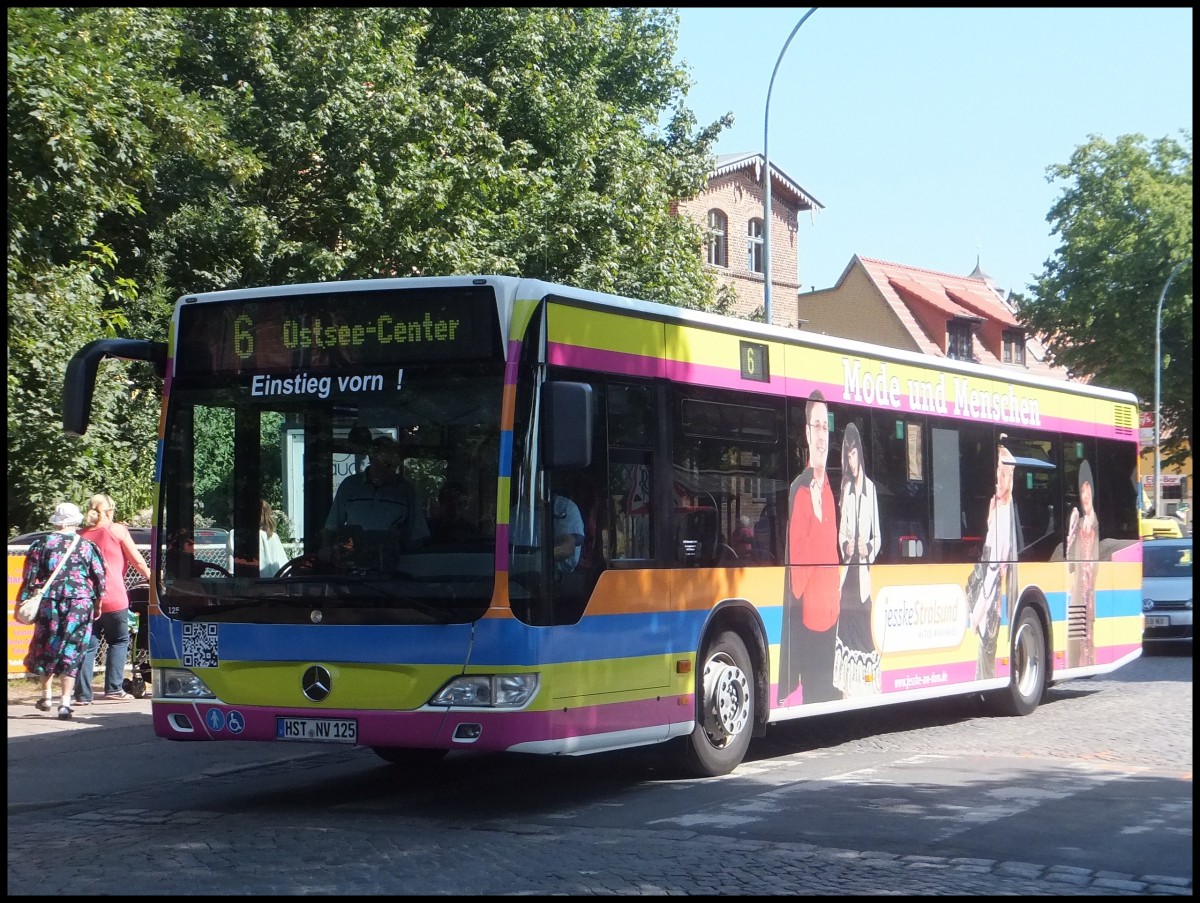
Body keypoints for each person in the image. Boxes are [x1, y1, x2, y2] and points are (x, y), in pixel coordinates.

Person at [778, 390, 841, 706]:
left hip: (834, 620)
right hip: (812, 626)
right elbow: (796, 581)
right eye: (815, 426)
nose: (821, 436)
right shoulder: (800, 492)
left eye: (825, 427)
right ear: (806, 432)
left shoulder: (830, 488)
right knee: (815, 699)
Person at [17, 502, 106, 719]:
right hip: (80, 602)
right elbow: (100, 577)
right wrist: (97, 603)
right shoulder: (87, 546)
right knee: (72, 648)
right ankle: (65, 703)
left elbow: (29, 577)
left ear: (56, 521)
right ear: (76, 521)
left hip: (50, 601)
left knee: (47, 643)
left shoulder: (41, 544)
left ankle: (46, 696)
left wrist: (23, 602)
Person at [77, 493, 152, 704]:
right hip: (114, 596)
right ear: (109, 511)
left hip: (86, 598)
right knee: (119, 641)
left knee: (88, 645)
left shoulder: (80, 535)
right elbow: (138, 561)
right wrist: (153, 580)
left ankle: (82, 694)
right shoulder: (117, 530)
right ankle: (113, 688)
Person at [322, 434, 429, 564]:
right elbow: (331, 527)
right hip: (354, 563)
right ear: (372, 458)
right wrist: (326, 550)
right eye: (387, 464)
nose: (391, 470)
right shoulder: (350, 486)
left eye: (394, 465)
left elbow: (417, 535)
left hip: (394, 565)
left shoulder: (405, 491)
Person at [833, 422, 882, 698]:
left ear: (860, 454)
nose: (851, 461)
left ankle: (866, 687)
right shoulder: (847, 491)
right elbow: (841, 533)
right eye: (847, 456)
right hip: (848, 575)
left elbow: (879, 538)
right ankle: (849, 691)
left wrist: (868, 548)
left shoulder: (871, 490)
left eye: (853, 454)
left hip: (862, 576)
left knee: (863, 634)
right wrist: (846, 545)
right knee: (847, 633)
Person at [967, 438, 1020, 680]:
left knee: (984, 664)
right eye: (996, 472)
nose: (999, 479)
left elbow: (991, 575)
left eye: (1004, 474)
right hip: (987, 604)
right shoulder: (996, 511)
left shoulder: (1004, 517)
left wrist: (976, 615)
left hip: (989, 607)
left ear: (1011, 479)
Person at [1065, 460, 1099, 667]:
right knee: (1076, 638)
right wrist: (1070, 534)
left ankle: (1087, 664)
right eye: (1082, 492)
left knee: (1089, 635)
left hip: (1090, 592)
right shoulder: (1077, 523)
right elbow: (1070, 563)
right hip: (1079, 590)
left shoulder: (1096, 523)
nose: (1085, 497)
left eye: (1088, 491)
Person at [228, 500, 290, 577]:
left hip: (250, 586)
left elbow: (232, 571)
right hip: (274, 585)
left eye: (232, 512)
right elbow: (284, 567)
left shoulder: (235, 534)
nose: (229, 516)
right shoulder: (273, 536)